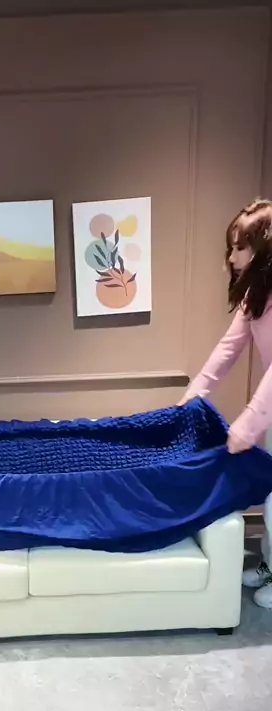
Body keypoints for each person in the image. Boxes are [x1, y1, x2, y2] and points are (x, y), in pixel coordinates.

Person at [179, 198, 272, 608]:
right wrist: (196, 392)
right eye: (231, 248)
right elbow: (229, 348)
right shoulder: (257, 293)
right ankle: (269, 564)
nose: (232, 258)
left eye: (240, 248)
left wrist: (248, 423)